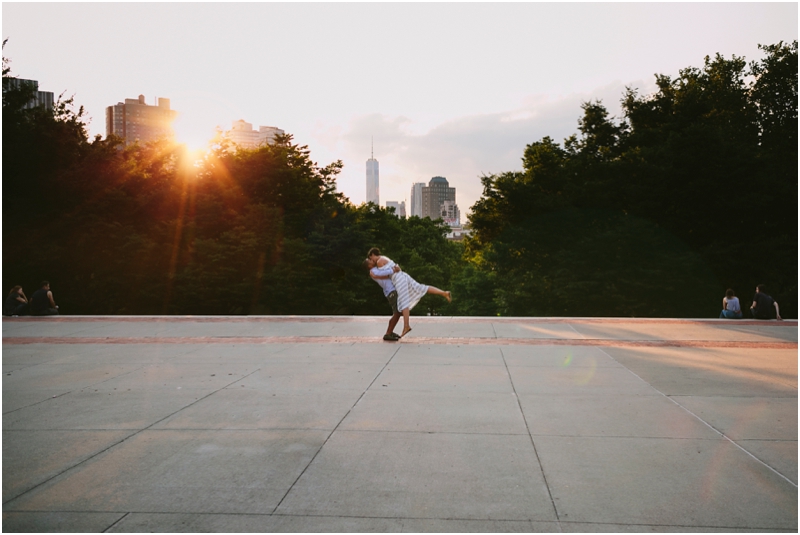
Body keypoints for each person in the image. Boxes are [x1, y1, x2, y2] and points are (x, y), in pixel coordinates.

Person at [366, 247, 451, 338]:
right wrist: (396, 269)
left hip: (398, 280)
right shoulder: (385, 257)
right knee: (421, 287)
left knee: (403, 302)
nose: (372, 261)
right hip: (403, 276)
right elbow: (395, 268)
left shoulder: (379, 262)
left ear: (373, 255)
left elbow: (385, 274)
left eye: (371, 259)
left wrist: (376, 274)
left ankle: (406, 326)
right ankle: (444, 293)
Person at [363, 257, 403, 341]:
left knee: (398, 312)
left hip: (391, 291)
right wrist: (394, 270)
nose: (372, 260)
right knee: (397, 312)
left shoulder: (376, 270)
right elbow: (384, 274)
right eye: (370, 260)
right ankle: (388, 333)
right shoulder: (373, 271)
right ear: (369, 265)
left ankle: (390, 332)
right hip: (391, 292)